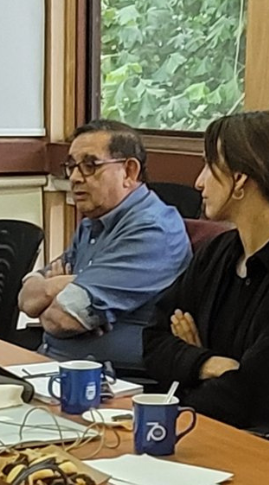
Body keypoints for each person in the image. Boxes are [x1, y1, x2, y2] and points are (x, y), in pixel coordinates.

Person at [141, 110, 269, 428]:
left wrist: (187, 371)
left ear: (239, 179)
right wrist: (206, 363)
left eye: (209, 166)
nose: (198, 182)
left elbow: (251, 398)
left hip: (264, 450)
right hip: (201, 426)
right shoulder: (218, 252)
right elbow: (154, 341)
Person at [19, 119, 190, 366]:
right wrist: (71, 284)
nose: (75, 177)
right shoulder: (93, 222)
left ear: (129, 172)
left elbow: (60, 319)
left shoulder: (152, 231)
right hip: (52, 364)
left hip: (115, 383)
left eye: (90, 165)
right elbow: (26, 298)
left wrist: (59, 288)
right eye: (71, 166)